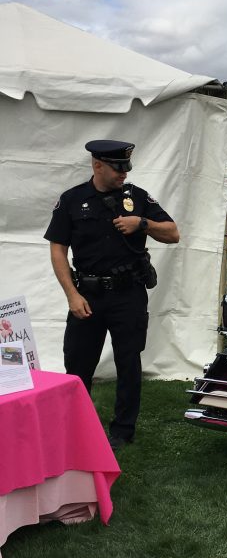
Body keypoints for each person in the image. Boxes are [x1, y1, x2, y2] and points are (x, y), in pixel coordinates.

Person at [44, 139, 179, 449]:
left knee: (129, 364)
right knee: (78, 365)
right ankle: (76, 425)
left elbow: (173, 233)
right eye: (118, 169)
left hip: (128, 295)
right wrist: (71, 295)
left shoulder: (138, 198)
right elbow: (58, 249)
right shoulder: (72, 200)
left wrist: (142, 223)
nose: (124, 174)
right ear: (97, 165)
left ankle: (122, 431)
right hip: (87, 295)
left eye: (126, 168)